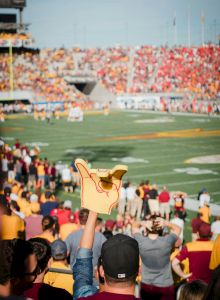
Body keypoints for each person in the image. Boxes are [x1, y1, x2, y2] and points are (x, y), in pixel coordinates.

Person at [73, 211, 140, 300]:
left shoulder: (83, 297)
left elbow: (82, 271)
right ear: (138, 271)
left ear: (101, 271)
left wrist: (93, 213)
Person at [132, 215, 181, 300]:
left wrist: (143, 223)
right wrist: (166, 223)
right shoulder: (167, 241)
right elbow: (178, 229)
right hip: (165, 285)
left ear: (147, 228)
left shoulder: (140, 241)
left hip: (147, 284)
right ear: (161, 228)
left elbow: (134, 225)